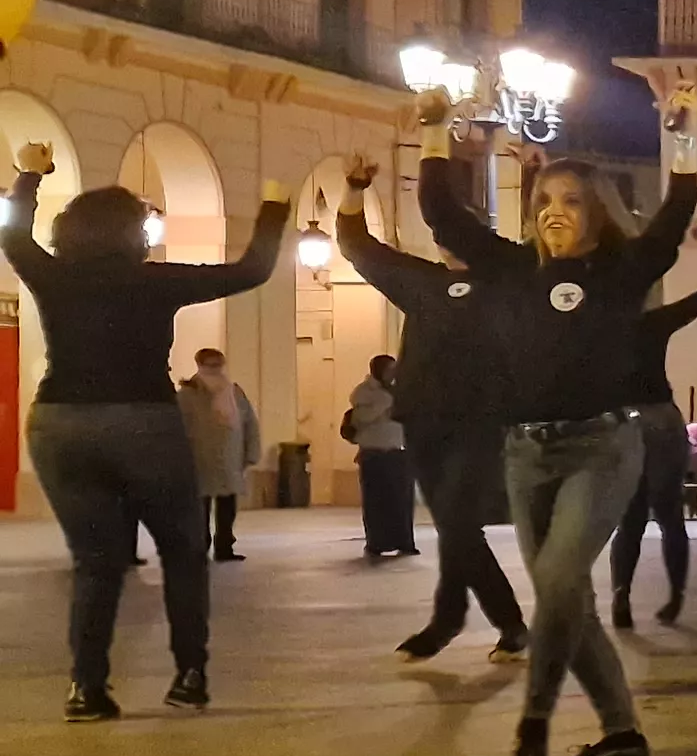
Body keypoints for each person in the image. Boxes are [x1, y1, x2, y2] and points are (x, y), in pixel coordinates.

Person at [419, 84, 697, 756]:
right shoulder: (513, 271)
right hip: (526, 453)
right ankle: (621, 733)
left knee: (555, 580)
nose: (554, 213)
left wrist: (684, 136)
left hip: (602, 447)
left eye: (571, 202)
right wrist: (432, 132)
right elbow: (443, 219)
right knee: (567, 597)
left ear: (598, 213)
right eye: (543, 203)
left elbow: (675, 216)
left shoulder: (622, 269)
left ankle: (534, 724)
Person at [9, 117, 287, 716]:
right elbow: (252, 271)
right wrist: (272, 206)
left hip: (59, 424)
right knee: (184, 549)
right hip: (141, 421)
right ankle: (189, 675)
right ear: (134, 232)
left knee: (95, 561)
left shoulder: (53, 276)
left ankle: (86, 687)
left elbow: (11, 237)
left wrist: (29, 173)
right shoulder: (153, 279)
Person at [337, 167, 530, 661]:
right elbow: (359, 248)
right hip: (422, 422)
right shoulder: (422, 283)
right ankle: (480, 623)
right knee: (453, 523)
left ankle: (464, 621)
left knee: (458, 522)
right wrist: (355, 189)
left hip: (480, 421)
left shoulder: (509, 282)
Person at [609, 250, 697, 629]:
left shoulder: (597, 326)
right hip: (660, 417)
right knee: (669, 516)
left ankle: (620, 596)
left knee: (629, 520)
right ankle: (675, 596)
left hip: (622, 419)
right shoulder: (654, 322)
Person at [177, 349, 258, 562]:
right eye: (210, 365)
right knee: (199, 510)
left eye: (218, 365)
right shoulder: (187, 394)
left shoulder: (234, 392)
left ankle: (224, 547)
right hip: (198, 460)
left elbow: (249, 423)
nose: (214, 370)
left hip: (229, 460)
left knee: (227, 507)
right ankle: (199, 548)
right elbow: (177, 429)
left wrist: (251, 452)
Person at [344, 355, 414, 559]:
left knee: (402, 501)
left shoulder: (401, 390)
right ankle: (377, 542)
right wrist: (385, 405)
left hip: (398, 452)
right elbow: (360, 418)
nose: (392, 373)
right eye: (389, 369)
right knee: (376, 502)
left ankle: (404, 541)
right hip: (374, 454)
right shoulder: (364, 392)